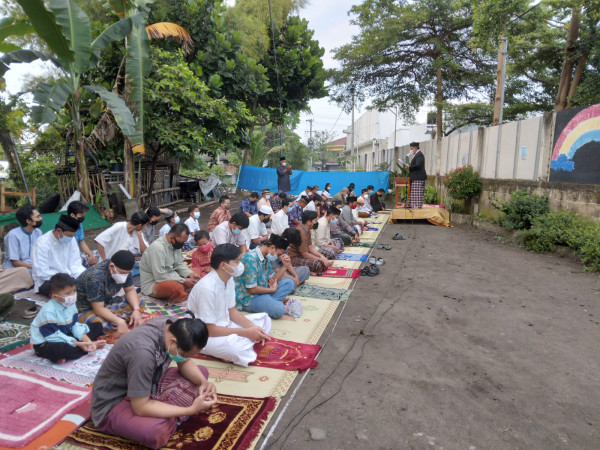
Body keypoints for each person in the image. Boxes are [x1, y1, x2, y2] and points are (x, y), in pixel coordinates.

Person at [90, 316, 216, 449]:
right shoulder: (142, 353)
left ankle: (167, 410)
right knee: (156, 431)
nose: (186, 358)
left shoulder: (174, 327)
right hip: (114, 403)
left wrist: (203, 383)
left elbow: (184, 361)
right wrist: (191, 410)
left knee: (201, 372)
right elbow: (140, 407)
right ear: (173, 342)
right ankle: (172, 412)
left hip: (149, 383)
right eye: (185, 354)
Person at [188, 244, 272, 367]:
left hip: (225, 324)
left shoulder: (229, 279)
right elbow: (209, 330)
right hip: (203, 334)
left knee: (264, 319)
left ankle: (248, 339)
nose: (240, 265)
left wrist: (253, 328)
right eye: (237, 261)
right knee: (235, 349)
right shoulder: (206, 288)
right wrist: (246, 333)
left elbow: (231, 311)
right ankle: (241, 344)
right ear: (223, 265)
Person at [31, 273, 106, 364]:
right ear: (55, 296)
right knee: (59, 350)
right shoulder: (48, 311)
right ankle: (82, 349)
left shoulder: (71, 304)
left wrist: (88, 341)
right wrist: (79, 344)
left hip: (66, 335)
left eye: (74, 291)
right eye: (68, 293)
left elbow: (75, 325)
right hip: (47, 342)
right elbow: (52, 336)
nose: (73, 295)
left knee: (97, 326)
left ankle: (85, 347)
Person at [76, 250, 144, 334]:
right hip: (88, 309)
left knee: (139, 301)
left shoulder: (125, 271)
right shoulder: (95, 277)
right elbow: (98, 308)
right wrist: (119, 321)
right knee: (98, 324)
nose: (125, 275)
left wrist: (136, 310)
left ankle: (116, 319)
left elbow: (130, 290)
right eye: (122, 273)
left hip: (107, 303)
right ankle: (119, 320)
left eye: (128, 273)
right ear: (111, 266)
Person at [235, 240, 297, 319]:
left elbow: (273, 279)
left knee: (290, 282)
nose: (278, 257)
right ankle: (270, 303)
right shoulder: (251, 258)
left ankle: (269, 302)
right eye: (279, 254)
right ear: (272, 248)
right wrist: (272, 290)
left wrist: (285, 266)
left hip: (263, 292)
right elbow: (252, 290)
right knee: (280, 309)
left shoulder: (265, 257)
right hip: (249, 298)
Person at [139, 224, 201, 303]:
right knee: (175, 288)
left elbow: (179, 264)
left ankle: (181, 290)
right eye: (181, 242)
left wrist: (190, 274)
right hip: (154, 283)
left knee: (196, 272)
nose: (182, 246)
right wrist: (183, 280)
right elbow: (160, 276)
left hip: (172, 276)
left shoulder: (175, 245)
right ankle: (180, 294)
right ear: (172, 237)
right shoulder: (158, 248)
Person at [32, 214, 86, 296]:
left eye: (73, 235)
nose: (71, 238)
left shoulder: (71, 240)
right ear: (59, 230)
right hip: (49, 281)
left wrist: (84, 277)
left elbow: (75, 264)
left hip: (69, 278)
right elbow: (42, 272)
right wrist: (66, 278)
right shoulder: (42, 243)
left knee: (88, 285)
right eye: (69, 235)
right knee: (68, 292)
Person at [287, 211, 332, 275]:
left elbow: (310, 247)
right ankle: (303, 270)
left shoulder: (307, 229)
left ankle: (308, 270)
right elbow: (305, 254)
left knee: (322, 259)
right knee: (317, 264)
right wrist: (320, 259)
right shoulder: (301, 232)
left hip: (301, 255)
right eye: (315, 221)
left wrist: (321, 257)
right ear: (308, 222)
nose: (317, 222)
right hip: (294, 258)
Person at [3, 205, 43, 271]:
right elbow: (15, 262)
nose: (41, 219)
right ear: (28, 221)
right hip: (15, 269)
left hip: (32, 267)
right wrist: (34, 267)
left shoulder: (38, 232)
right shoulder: (13, 235)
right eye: (37, 217)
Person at [67, 201, 99, 267]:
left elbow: (82, 243)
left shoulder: (79, 225)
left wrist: (91, 256)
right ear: (72, 215)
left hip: (77, 254)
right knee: (84, 260)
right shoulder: (63, 228)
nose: (83, 217)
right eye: (81, 215)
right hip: (68, 258)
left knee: (98, 254)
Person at [408, 142, 427, 208]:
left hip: (418, 177)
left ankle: (417, 207)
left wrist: (410, 167)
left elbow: (418, 165)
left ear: (415, 147)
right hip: (415, 177)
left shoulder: (419, 155)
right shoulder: (417, 155)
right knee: (414, 193)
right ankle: (413, 206)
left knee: (417, 193)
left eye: (411, 148)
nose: (411, 150)